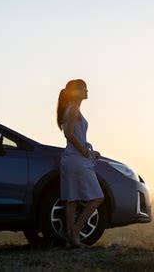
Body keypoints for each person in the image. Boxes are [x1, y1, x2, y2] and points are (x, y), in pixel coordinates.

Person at [56, 79, 104, 248]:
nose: (87, 91)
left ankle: (72, 237)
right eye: (84, 88)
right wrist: (85, 152)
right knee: (97, 197)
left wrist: (90, 151)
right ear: (76, 92)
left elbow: (76, 135)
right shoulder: (73, 109)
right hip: (76, 160)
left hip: (73, 158)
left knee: (72, 199)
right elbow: (69, 134)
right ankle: (74, 231)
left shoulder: (72, 109)